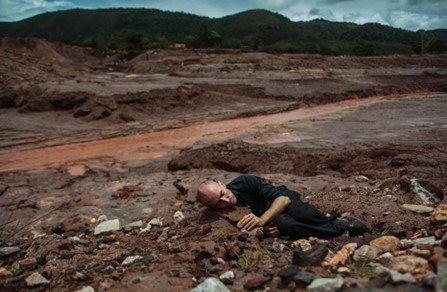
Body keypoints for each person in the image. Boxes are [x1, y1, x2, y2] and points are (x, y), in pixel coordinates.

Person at [196, 174, 372, 239]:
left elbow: (283, 200)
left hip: (283, 198)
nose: (225, 202)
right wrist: (266, 230)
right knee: (286, 225)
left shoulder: (245, 181)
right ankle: (341, 227)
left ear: (222, 184)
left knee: (298, 212)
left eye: (222, 194)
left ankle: (334, 219)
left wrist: (262, 220)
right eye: (218, 203)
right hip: (274, 217)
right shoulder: (220, 211)